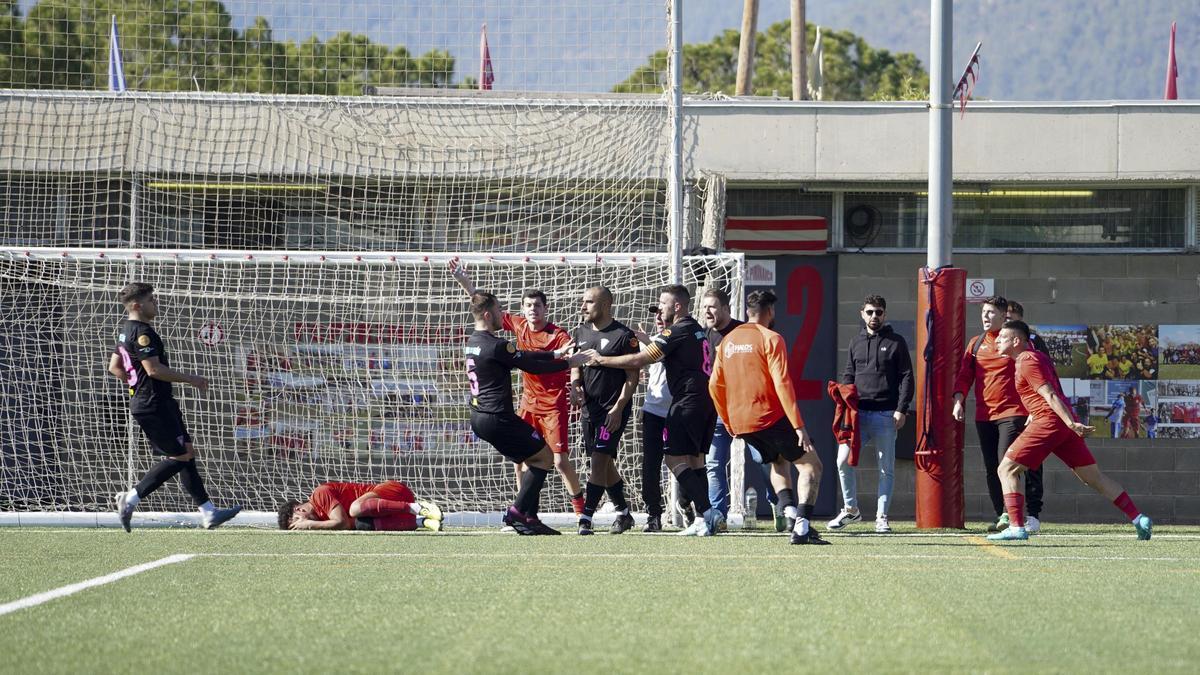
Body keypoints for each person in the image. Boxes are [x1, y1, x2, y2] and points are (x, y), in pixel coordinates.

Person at [988, 320, 1152, 541]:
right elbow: (1048, 392)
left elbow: (1050, 395)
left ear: (1016, 340)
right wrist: (1062, 421)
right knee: (1093, 478)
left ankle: (1017, 527)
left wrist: (1069, 423)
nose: (997, 340)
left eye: (1002, 337)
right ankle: (1138, 518)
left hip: (1051, 422)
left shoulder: (1026, 360)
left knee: (1006, 470)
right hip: (1060, 424)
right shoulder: (1037, 357)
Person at [449, 259, 586, 516]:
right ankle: (525, 511)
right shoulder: (516, 326)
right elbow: (484, 308)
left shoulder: (558, 334)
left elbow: (573, 358)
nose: (533, 309)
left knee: (558, 461)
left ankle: (581, 513)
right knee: (521, 461)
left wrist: (575, 382)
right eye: (528, 305)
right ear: (522, 310)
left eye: (537, 305)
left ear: (546, 308)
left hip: (553, 404)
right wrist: (465, 283)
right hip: (527, 404)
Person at [589, 284, 723, 536]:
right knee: (692, 461)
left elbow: (641, 359)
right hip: (703, 400)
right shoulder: (696, 329)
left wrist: (601, 359)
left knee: (673, 459)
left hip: (687, 401)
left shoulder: (677, 330)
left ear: (678, 306)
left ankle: (708, 513)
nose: (660, 309)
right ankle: (702, 517)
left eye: (663, 303)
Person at [107, 282, 242, 532]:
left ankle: (208, 512)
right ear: (138, 305)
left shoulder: (126, 331)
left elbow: (114, 367)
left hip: (154, 401)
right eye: (151, 300)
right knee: (179, 456)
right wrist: (192, 379)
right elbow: (154, 369)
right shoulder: (142, 333)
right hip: (153, 403)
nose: (155, 304)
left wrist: (136, 383)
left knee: (187, 452)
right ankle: (132, 497)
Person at [708, 290, 829, 545]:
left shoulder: (727, 341)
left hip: (742, 422)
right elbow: (782, 383)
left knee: (778, 461)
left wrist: (728, 421)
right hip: (768, 416)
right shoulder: (771, 338)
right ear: (770, 311)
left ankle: (790, 511)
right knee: (812, 466)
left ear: (747, 312)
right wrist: (798, 426)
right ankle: (803, 527)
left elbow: (714, 385)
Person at [953, 295, 1043, 534]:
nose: (985, 316)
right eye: (983, 312)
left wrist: (1035, 408)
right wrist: (959, 400)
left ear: (1004, 317)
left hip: (1013, 413)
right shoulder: (976, 343)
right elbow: (964, 375)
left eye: (991, 313)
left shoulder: (1015, 343)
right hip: (984, 415)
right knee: (992, 466)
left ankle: (1011, 513)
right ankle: (1001, 513)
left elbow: (1036, 372)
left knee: (1008, 463)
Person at [827, 295, 912, 534]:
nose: (875, 316)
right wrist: (843, 403)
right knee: (842, 461)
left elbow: (907, 377)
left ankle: (882, 517)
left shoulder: (896, 342)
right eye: (870, 312)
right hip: (858, 416)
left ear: (885, 315)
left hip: (886, 414)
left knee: (886, 468)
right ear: (862, 313)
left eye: (879, 312)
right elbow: (848, 376)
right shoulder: (855, 342)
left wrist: (901, 409)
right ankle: (851, 510)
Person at [571, 286, 640, 535]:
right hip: (590, 410)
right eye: (583, 301)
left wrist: (619, 408)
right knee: (603, 462)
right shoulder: (581, 331)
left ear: (605, 305)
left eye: (589, 302)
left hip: (613, 411)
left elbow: (633, 377)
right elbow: (576, 366)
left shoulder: (624, 335)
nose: (583, 306)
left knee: (599, 460)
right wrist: (575, 386)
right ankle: (623, 513)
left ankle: (585, 518)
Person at [637, 303, 686, 532]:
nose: (658, 316)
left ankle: (687, 503)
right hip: (654, 411)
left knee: (686, 460)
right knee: (651, 463)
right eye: (654, 314)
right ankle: (653, 514)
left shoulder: (680, 337)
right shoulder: (649, 340)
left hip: (678, 410)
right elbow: (642, 362)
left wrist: (648, 343)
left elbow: (663, 356)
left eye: (660, 312)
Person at [699, 288, 743, 523]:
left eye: (712, 306)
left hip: (745, 409)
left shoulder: (742, 332)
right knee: (714, 464)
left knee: (764, 459)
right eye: (705, 306)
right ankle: (718, 515)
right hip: (716, 411)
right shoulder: (704, 335)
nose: (707, 311)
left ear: (726, 308)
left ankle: (781, 505)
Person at [278, 480, 442, 532]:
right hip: (392, 515)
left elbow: (341, 522)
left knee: (355, 509)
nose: (298, 527)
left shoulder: (319, 494)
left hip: (394, 493)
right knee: (361, 524)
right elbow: (349, 525)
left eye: (296, 522)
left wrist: (309, 525)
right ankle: (423, 522)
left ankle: (419, 508)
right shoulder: (322, 518)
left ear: (299, 509)